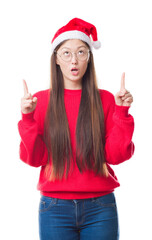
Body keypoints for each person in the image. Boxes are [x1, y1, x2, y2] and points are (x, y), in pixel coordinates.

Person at [18, 18, 134, 240]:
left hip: (100, 207)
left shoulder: (107, 100)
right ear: (57, 60)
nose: (74, 60)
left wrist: (122, 113)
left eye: (81, 52)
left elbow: (116, 155)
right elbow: (35, 158)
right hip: (54, 209)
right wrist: (28, 117)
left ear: (89, 59)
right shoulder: (40, 101)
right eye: (67, 53)